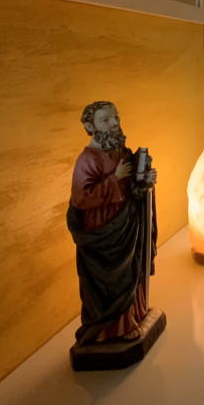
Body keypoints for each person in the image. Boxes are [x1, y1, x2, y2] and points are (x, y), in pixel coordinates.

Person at [67, 101, 157, 344]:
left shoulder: (122, 153)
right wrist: (114, 179)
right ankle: (112, 330)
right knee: (112, 280)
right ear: (91, 126)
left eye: (116, 117)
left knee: (131, 271)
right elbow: (81, 198)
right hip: (104, 233)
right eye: (105, 120)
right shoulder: (87, 160)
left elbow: (132, 189)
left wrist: (144, 180)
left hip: (127, 227)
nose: (115, 123)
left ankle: (134, 316)